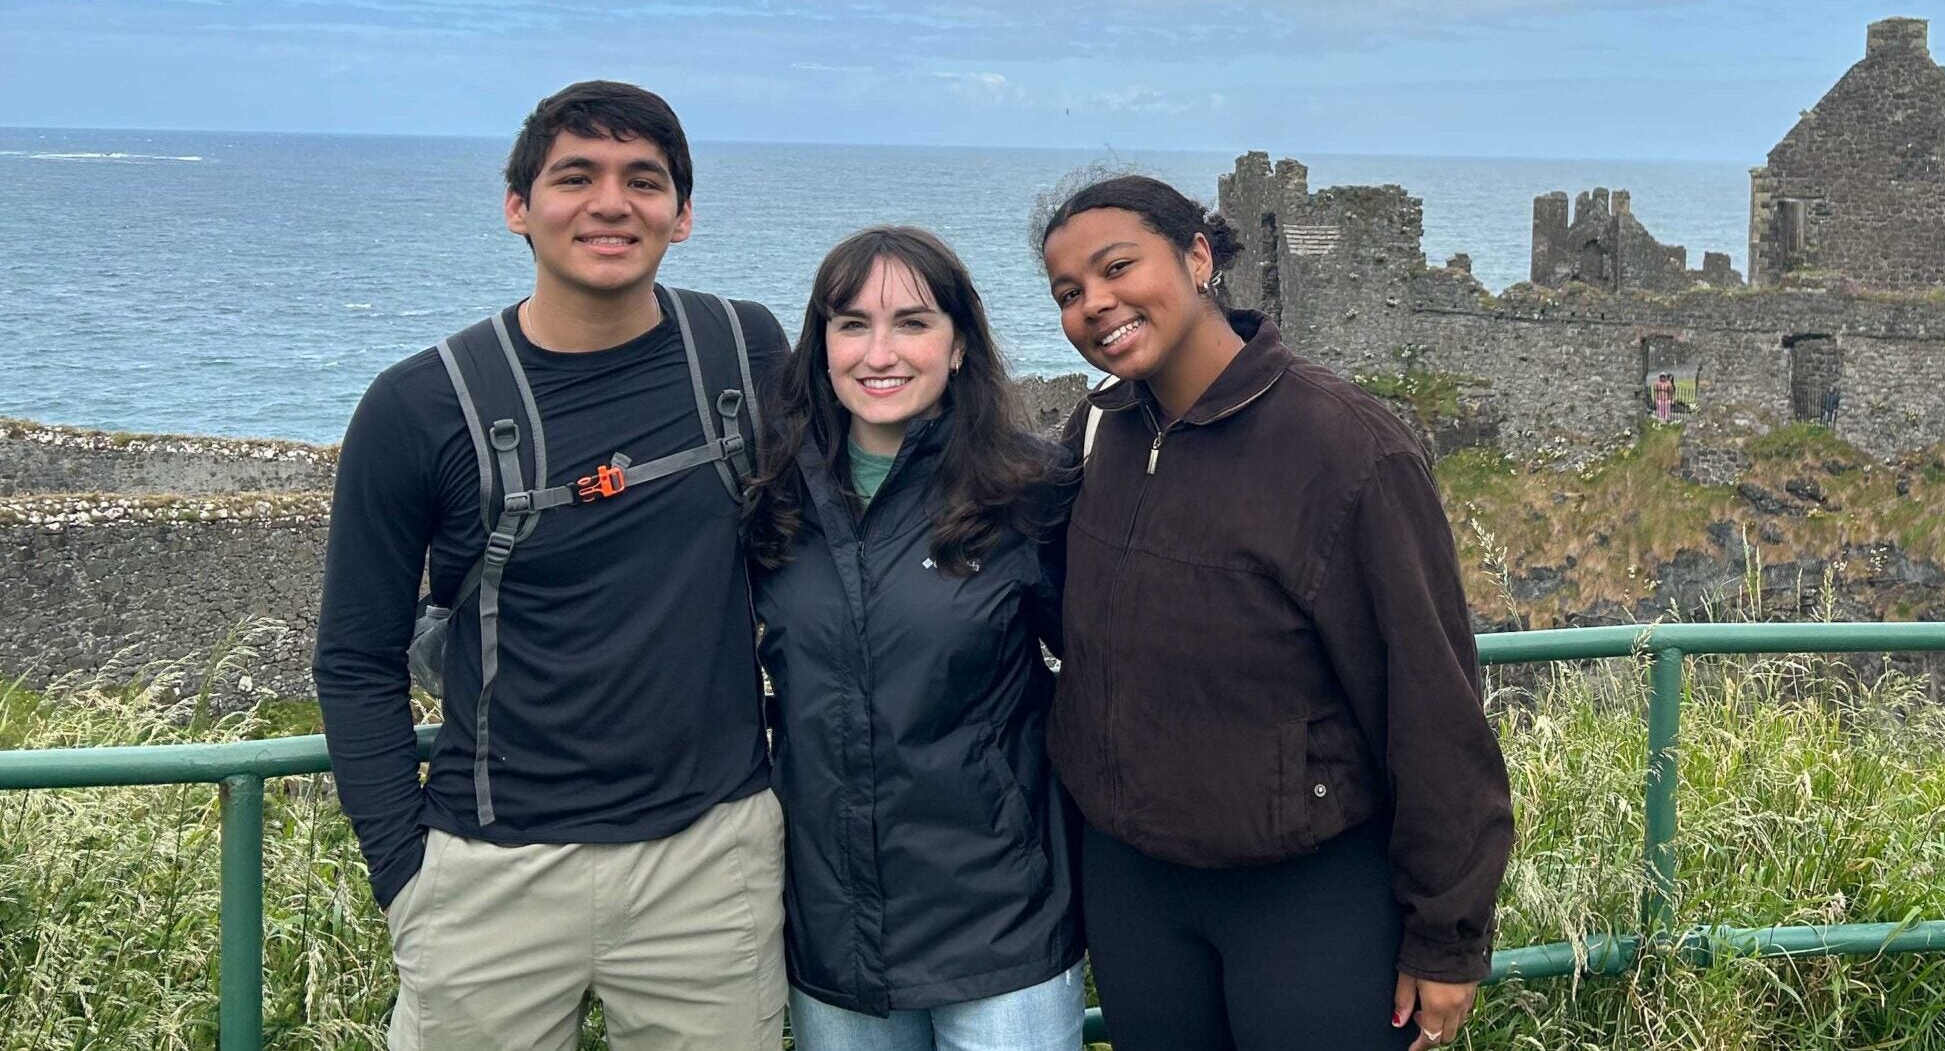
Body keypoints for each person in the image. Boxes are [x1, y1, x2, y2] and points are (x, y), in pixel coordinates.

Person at [313, 82, 790, 1050]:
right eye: (575, 176)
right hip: (490, 874)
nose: (610, 202)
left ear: (682, 214)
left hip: (712, 862)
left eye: (642, 180)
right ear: (517, 206)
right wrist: (406, 874)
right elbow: (355, 658)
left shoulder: (743, 349)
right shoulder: (418, 406)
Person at [1038, 175, 1515, 1051]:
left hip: (1304, 896)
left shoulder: (1345, 446)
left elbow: (1431, 705)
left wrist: (1447, 939)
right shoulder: (1099, 433)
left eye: (1116, 268)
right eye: (1069, 293)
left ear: (1198, 257)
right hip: (1138, 890)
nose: (1095, 304)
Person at [743, 226, 1083, 1050]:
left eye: (913, 322)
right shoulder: (771, 497)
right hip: (833, 936)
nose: (879, 351)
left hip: (1002, 926)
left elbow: (1111, 673)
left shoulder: (1028, 494)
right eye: (852, 323)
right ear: (820, 343)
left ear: (960, 344)